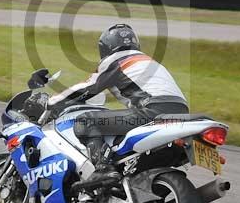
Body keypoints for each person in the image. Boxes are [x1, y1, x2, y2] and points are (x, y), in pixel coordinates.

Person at [47, 23, 189, 183]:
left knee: (85, 121)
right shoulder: (148, 60)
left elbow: (87, 88)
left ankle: (102, 170)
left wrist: (52, 102)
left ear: (106, 47)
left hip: (152, 111)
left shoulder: (116, 60)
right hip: (181, 112)